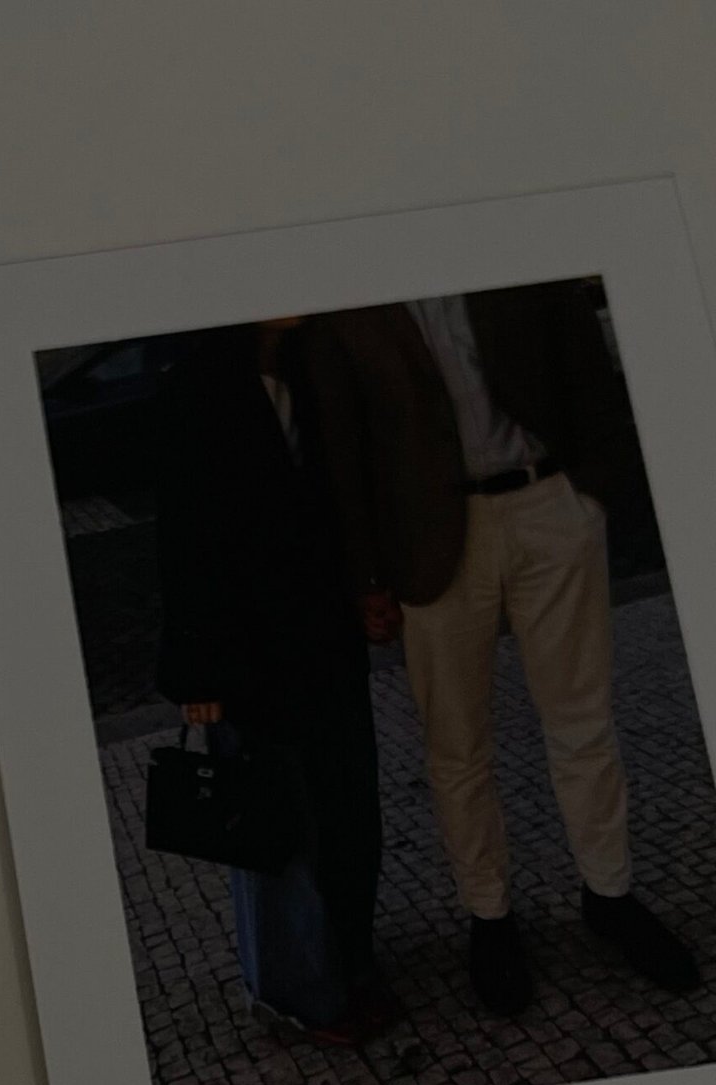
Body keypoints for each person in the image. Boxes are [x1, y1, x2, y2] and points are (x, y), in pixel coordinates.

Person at [305, 279, 697, 1015]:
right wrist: (366, 576)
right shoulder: (349, 290)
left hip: (551, 504)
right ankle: (489, 916)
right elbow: (343, 444)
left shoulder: (506, 253)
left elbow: (584, 364)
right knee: (455, 746)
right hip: (429, 538)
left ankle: (610, 894)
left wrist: (594, 493)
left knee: (582, 720)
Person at [152, 316, 386, 1042]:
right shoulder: (198, 387)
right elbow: (183, 537)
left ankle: (346, 962)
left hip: (323, 636)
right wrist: (196, 670)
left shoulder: (307, 368)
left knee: (345, 807)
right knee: (276, 826)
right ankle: (300, 994)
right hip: (248, 650)